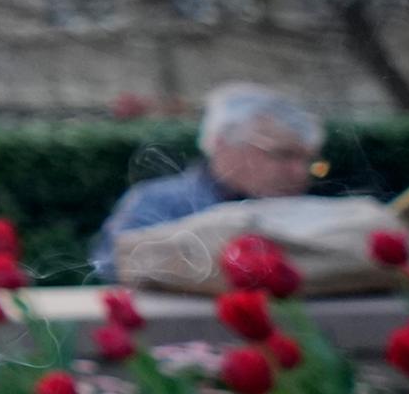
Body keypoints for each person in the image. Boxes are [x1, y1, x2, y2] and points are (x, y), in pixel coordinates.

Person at [91, 85, 327, 282]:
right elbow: (114, 266)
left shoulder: (312, 211)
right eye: (283, 155)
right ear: (223, 144)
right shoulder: (160, 202)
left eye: (308, 160)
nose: (300, 172)